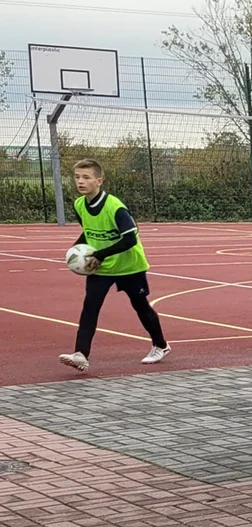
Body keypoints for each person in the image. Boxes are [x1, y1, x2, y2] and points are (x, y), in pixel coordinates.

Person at [59, 158, 170, 373]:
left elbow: (130, 239)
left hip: (130, 265)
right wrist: (75, 251)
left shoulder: (115, 207)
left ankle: (161, 345)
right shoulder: (79, 205)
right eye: (77, 177)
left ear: (99, 181)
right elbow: (89, 231)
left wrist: (100, 254)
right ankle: (80, 354)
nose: (80, 181)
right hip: (101, 268)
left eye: (86, 177)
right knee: (90, 307)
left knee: (141, 306)